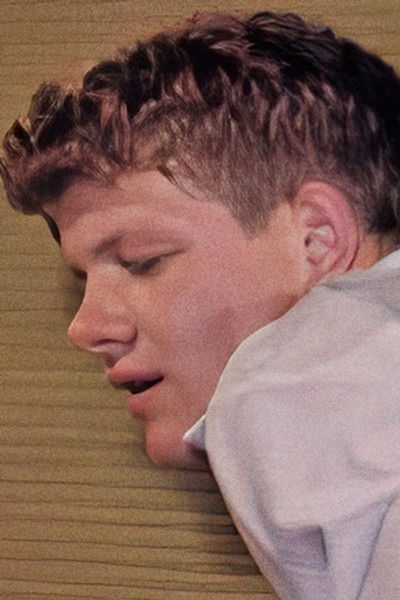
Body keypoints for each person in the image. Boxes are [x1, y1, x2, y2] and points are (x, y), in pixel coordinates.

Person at [1, 10, 399, 600]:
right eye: (84, 280)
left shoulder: (288, 391)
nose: (84, 328)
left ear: (316, 239)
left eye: (141, 260)